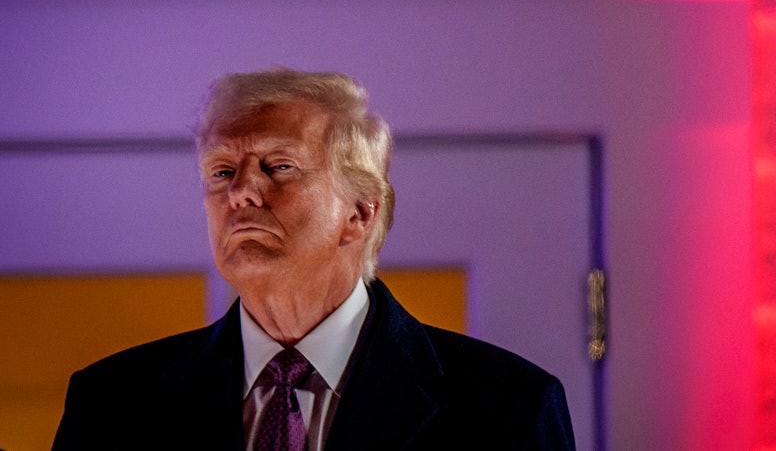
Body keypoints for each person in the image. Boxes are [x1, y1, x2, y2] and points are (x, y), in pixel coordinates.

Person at [52, 68, 575, 451]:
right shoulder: (111, 403)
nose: (241, 193)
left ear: (360, 213)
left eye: (278, 166)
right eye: (221, 171)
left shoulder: (510, 408)